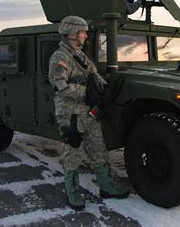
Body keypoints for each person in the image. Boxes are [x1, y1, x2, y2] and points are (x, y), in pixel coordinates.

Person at [48, 15, 129, 211]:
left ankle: (106, 187)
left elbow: (95, 78)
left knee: (99, 150)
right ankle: (73, 193)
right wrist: (86, 92)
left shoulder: (82, 56)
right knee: (73, 153)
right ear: (73, 34)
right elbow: (60, 86)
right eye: (83, 32)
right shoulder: (61, 57)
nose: (86, 35)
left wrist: (106, 89)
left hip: (89, 112)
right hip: (71, 114)